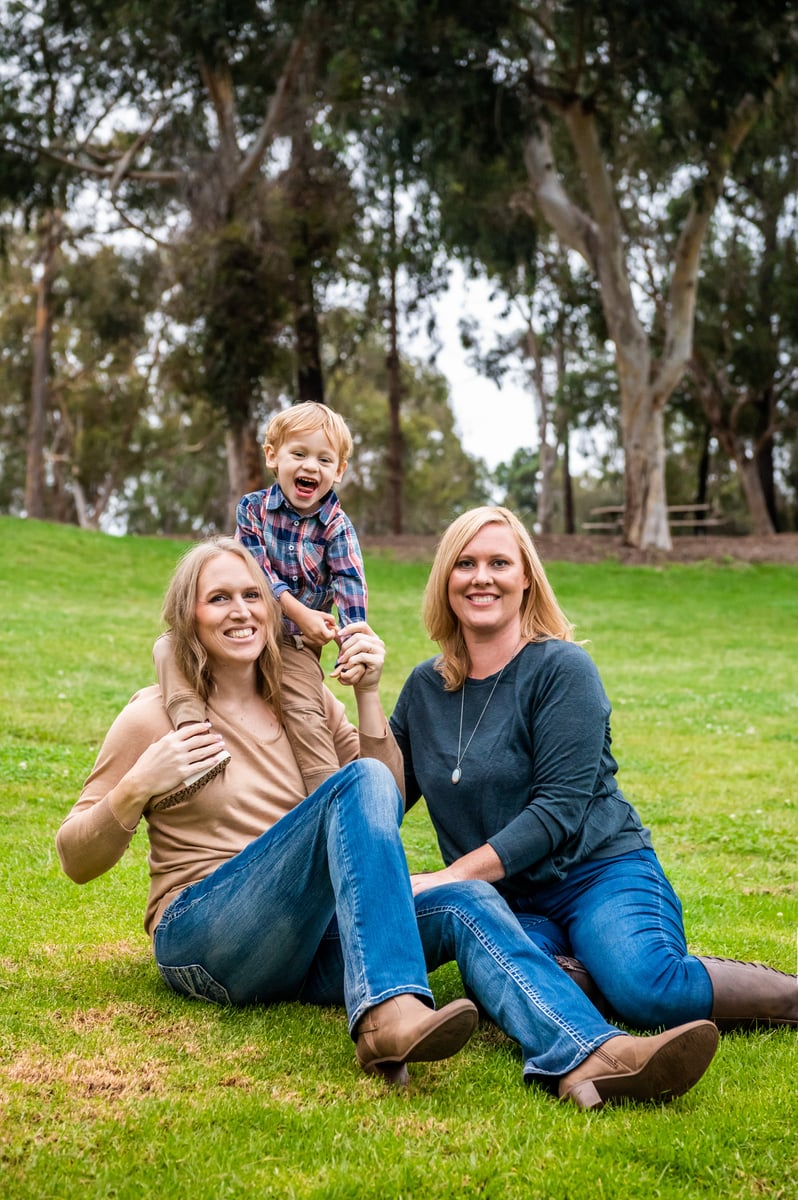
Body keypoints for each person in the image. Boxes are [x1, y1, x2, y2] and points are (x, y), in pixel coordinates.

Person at [56, 537, 720, 1108]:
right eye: (218, 598)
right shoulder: (153, 716)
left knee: (465, 898)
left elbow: (383, 796)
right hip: (206, 939)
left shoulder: (308, 703)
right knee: (361, 785)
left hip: (304, 947)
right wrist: (136, 787)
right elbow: (75, 859)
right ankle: (388, 1011)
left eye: (253, 595)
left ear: (274, 608)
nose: (241, 612)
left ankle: (588, 1055)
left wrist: (368, 695)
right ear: (188, 616)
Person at [390, 506, 798, 1034]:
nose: (481, 577)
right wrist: (365, 694)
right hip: (508, 898)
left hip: (596, 873)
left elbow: (557, 810)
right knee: (500, 987)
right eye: (465, 564)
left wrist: (448, 879)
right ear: (445, 579)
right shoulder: (425, 689)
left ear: (526, 579)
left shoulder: (562, 669)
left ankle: (788, 997)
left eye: (499, 563)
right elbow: (383, 796)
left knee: (648, 989)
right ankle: (593, 972)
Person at [152, 402, 366, 807]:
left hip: (294, 643)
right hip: (246, 624)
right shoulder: (252, 510)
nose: (310, 466)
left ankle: (327, 800)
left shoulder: (337, 528)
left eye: (324, 460)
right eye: (298, 454)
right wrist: (300, 612)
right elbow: (259, 572)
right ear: (272, 456)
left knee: (304, 710)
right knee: (167, 646)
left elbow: (350, 585)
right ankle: (195, 741)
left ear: (338, 471)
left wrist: (350, 645)